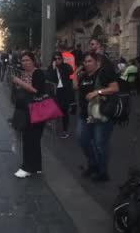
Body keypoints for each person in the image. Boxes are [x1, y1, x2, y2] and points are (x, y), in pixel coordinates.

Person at [73, 52, 120, 182]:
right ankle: (93, 164)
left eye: (90, 61)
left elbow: (115, 88)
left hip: (100, 115)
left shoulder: (103, 73)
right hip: (85, 115)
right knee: (83, 140)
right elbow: (75, 86)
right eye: (85, 62)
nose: (87, 64)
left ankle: (102, 172)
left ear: (96, 62)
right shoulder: (82, 76)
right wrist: (77, 71)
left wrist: (97, 92)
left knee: (100, 144)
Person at [11, 51, 47, 178]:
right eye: (23, 60)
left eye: (27, 60)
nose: (25, 63)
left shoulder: (38, 73)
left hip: (35, 109)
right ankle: (37, 166)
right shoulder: (23, 73)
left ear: (33, 61)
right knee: (33, 140)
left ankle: (27, 168)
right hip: (24, 110)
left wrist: (20, 83)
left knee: (30, 139)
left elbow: (36, 90)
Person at [47, 52, 74, 138]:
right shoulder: (51, 68)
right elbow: (50, 78)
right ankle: (54, 124)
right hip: (55, 91)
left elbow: (71, 72)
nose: (57, 60)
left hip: (64, 91)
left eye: (59, 59)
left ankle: (65, 130)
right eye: (55, 59)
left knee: (64, 111)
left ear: (62, 59)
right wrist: (54, 68)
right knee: (54, 109)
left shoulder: (66, 67)